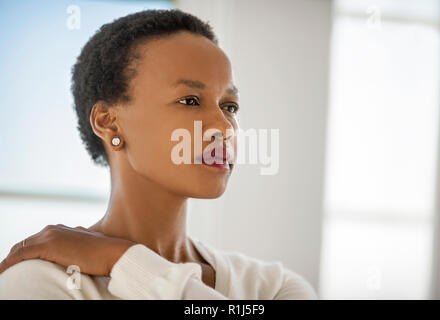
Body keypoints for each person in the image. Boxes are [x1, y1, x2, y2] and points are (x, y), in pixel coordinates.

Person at [0, 8, 318, 300]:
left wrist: (124, 262)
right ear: (108, 123)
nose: (224, 126)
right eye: (190, 100)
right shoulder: (38, 283)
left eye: (229, 106)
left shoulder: (274, 287)